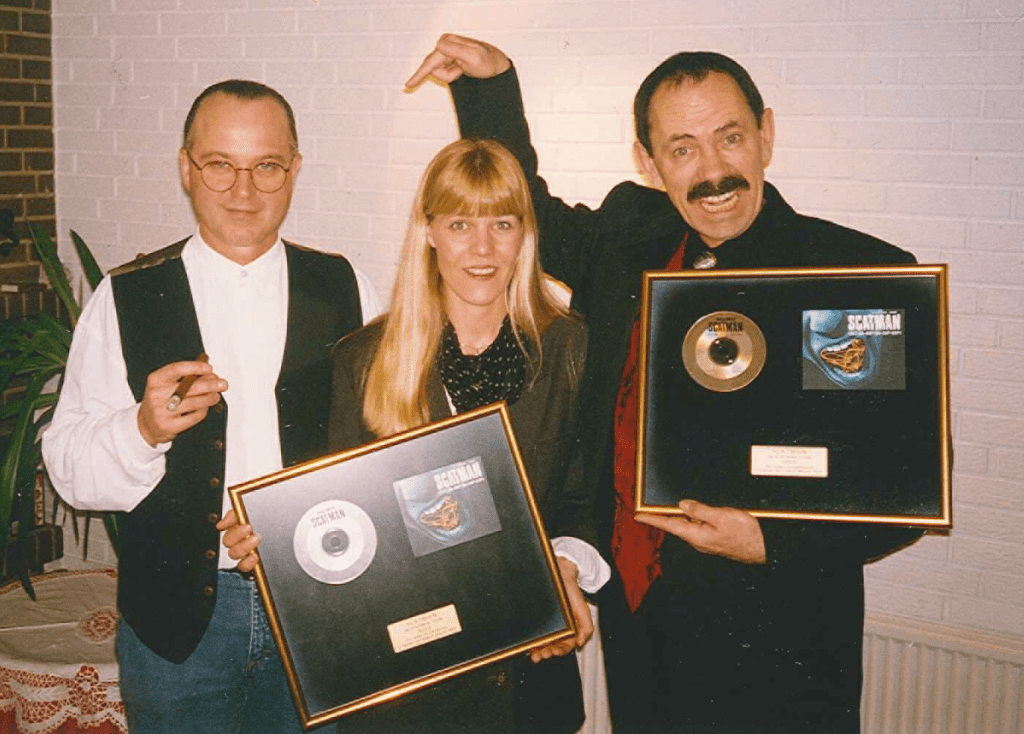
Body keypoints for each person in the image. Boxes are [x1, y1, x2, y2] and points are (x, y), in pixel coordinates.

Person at [406, 36, 925, 734]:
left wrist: (767, 540)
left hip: (784, 644)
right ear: (648, 163)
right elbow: (528, 209)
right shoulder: (629, 235)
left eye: (730, 138)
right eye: (682, 148)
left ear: (766, 134)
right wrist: (491, 86)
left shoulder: (850, 272)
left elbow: (906, 480)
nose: (714, 172)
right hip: (640, 627)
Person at [223, 138, 609, 733]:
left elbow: (584, 499)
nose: (481, 249)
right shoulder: (363, 360)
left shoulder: (569, 348)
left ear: (525, 234)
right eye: (459, 224)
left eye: (501, 224)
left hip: (526, 679)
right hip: (404, 692)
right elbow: (336, 520)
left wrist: (564, 566)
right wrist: (271, 543)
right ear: (429, 232)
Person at [41, 79, 381, 733]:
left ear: (295, 170)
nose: (243, 191)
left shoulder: (346, 287)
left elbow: (390, 448)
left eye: (266, 166)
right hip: (174, 630)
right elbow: (68, 468)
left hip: (321, 608)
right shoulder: (126, 296)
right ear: (186, 168)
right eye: (220, 164)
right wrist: (142, 429)